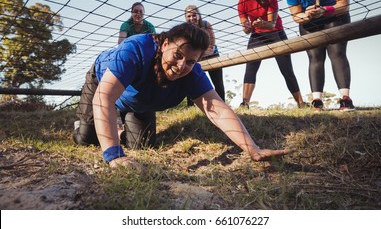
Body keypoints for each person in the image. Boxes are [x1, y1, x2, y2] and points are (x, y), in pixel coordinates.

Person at [73, 22, 290, 168]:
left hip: (139, 101)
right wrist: (114, 156)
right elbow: (104, 98)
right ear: (165, 43)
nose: (180, 66)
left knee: (142, 145)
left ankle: (120, 128)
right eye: (177, 55)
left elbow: (216, 109)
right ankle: (85, 124)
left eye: (190, 61)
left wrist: (252, 149)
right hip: (102, 83)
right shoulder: (134, 49)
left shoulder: (192, 72)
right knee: (86, 138)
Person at [286, 0, 355, 111]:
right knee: (315, 57)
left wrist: (325, 10)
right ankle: (317, 102)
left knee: (336, 52)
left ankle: (345, 99)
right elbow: (296, 16)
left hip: (335, 15)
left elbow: (344, 5)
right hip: (310, 22)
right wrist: (307, 15)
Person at [237, 0, 306, 109]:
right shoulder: (242, 2)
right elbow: (245, 29)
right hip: (257, 35)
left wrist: (262, 23)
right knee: (250, 66)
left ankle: (301, 103)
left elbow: (271, 24)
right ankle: (245, 103)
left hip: (275, 32)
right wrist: (247, 27)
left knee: (286, 69)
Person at [184, 5, 225, 106]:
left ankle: (223, 104)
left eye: (194, 15)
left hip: (211, 56)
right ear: (185, 18)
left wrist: (198, 54)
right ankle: (190, 106)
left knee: (218, 82)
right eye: (189, 16)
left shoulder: (206, 25)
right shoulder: (186, 29)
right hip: (195, 58)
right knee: (189, 79)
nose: (192, 18)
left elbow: (211, 46)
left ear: (199, 15)